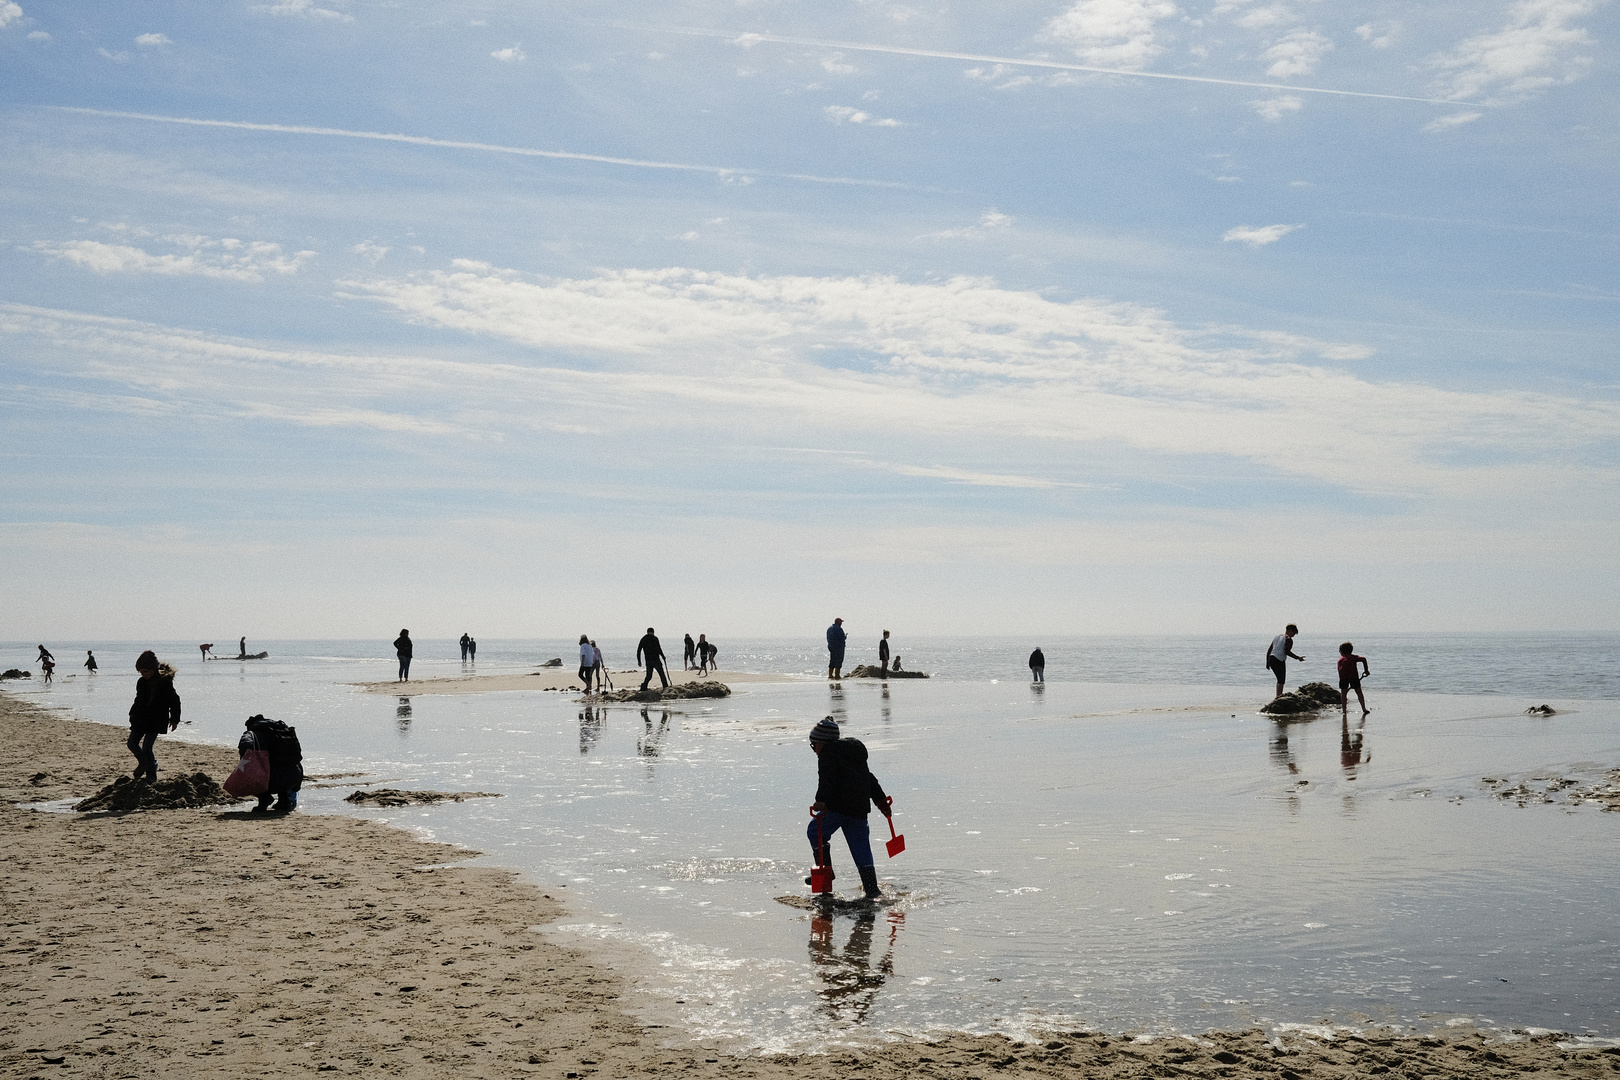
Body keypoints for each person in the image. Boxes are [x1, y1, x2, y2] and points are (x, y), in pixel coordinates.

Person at [805, 716, 892, 900]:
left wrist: (821, 800)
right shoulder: (855, 755)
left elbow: (827, 779)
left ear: (823, 742)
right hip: (859, 810)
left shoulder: (827, 754)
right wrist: (881, 802)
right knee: (861, 847)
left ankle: (826, 875)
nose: (814, 750)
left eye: (814, 745)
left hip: (838, 808)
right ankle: (872, 890)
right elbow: (869, 779)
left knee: (815, 831)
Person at [127, 650, 180, 781]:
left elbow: (175, 701)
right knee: (132, 743)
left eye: (146, 671)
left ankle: (151, 775)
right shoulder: (141, 682)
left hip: (156, 720)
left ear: (153, 669)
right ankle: (143, 762)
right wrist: (132, 713)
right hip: (140, 719)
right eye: (141, 672)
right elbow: (138, 700)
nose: (143, 674)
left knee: (147, 747)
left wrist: (174, 719)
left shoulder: (164, 682)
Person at [241, 714, 304, 814]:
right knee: (282, 766)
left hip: (273, 779)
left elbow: (245, 750)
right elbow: (297, 758)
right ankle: (284, 801)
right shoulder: (283, 732)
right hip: (294, 778)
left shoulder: (251, 734)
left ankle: (264, 799)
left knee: (249, 770)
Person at [1266, 624, 1304, 698]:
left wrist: (1267, 662)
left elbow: (1270, 649)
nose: (1293, 636)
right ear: (1289, 631)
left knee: (1279, 679)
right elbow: (1287, 651)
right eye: (1293, 633)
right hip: (1279, 659)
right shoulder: (1288, 639)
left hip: (1271, 658)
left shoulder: (1277, 637)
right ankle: (1279, 696)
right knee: (1281, 680)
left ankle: (1278, 696)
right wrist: (1298, 658)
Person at [1338, 641, 1371, 717]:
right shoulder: (1353, 658)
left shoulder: (1341, 660)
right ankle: (1363, 708)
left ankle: (1344, 711)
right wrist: (1366, 670)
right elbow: (1363, 659)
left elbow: (1340, 671)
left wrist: (1366, 670)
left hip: (1344, 678)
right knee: (1359, 692)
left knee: (1343, 694)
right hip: (1353, 677)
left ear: (1342, 651)